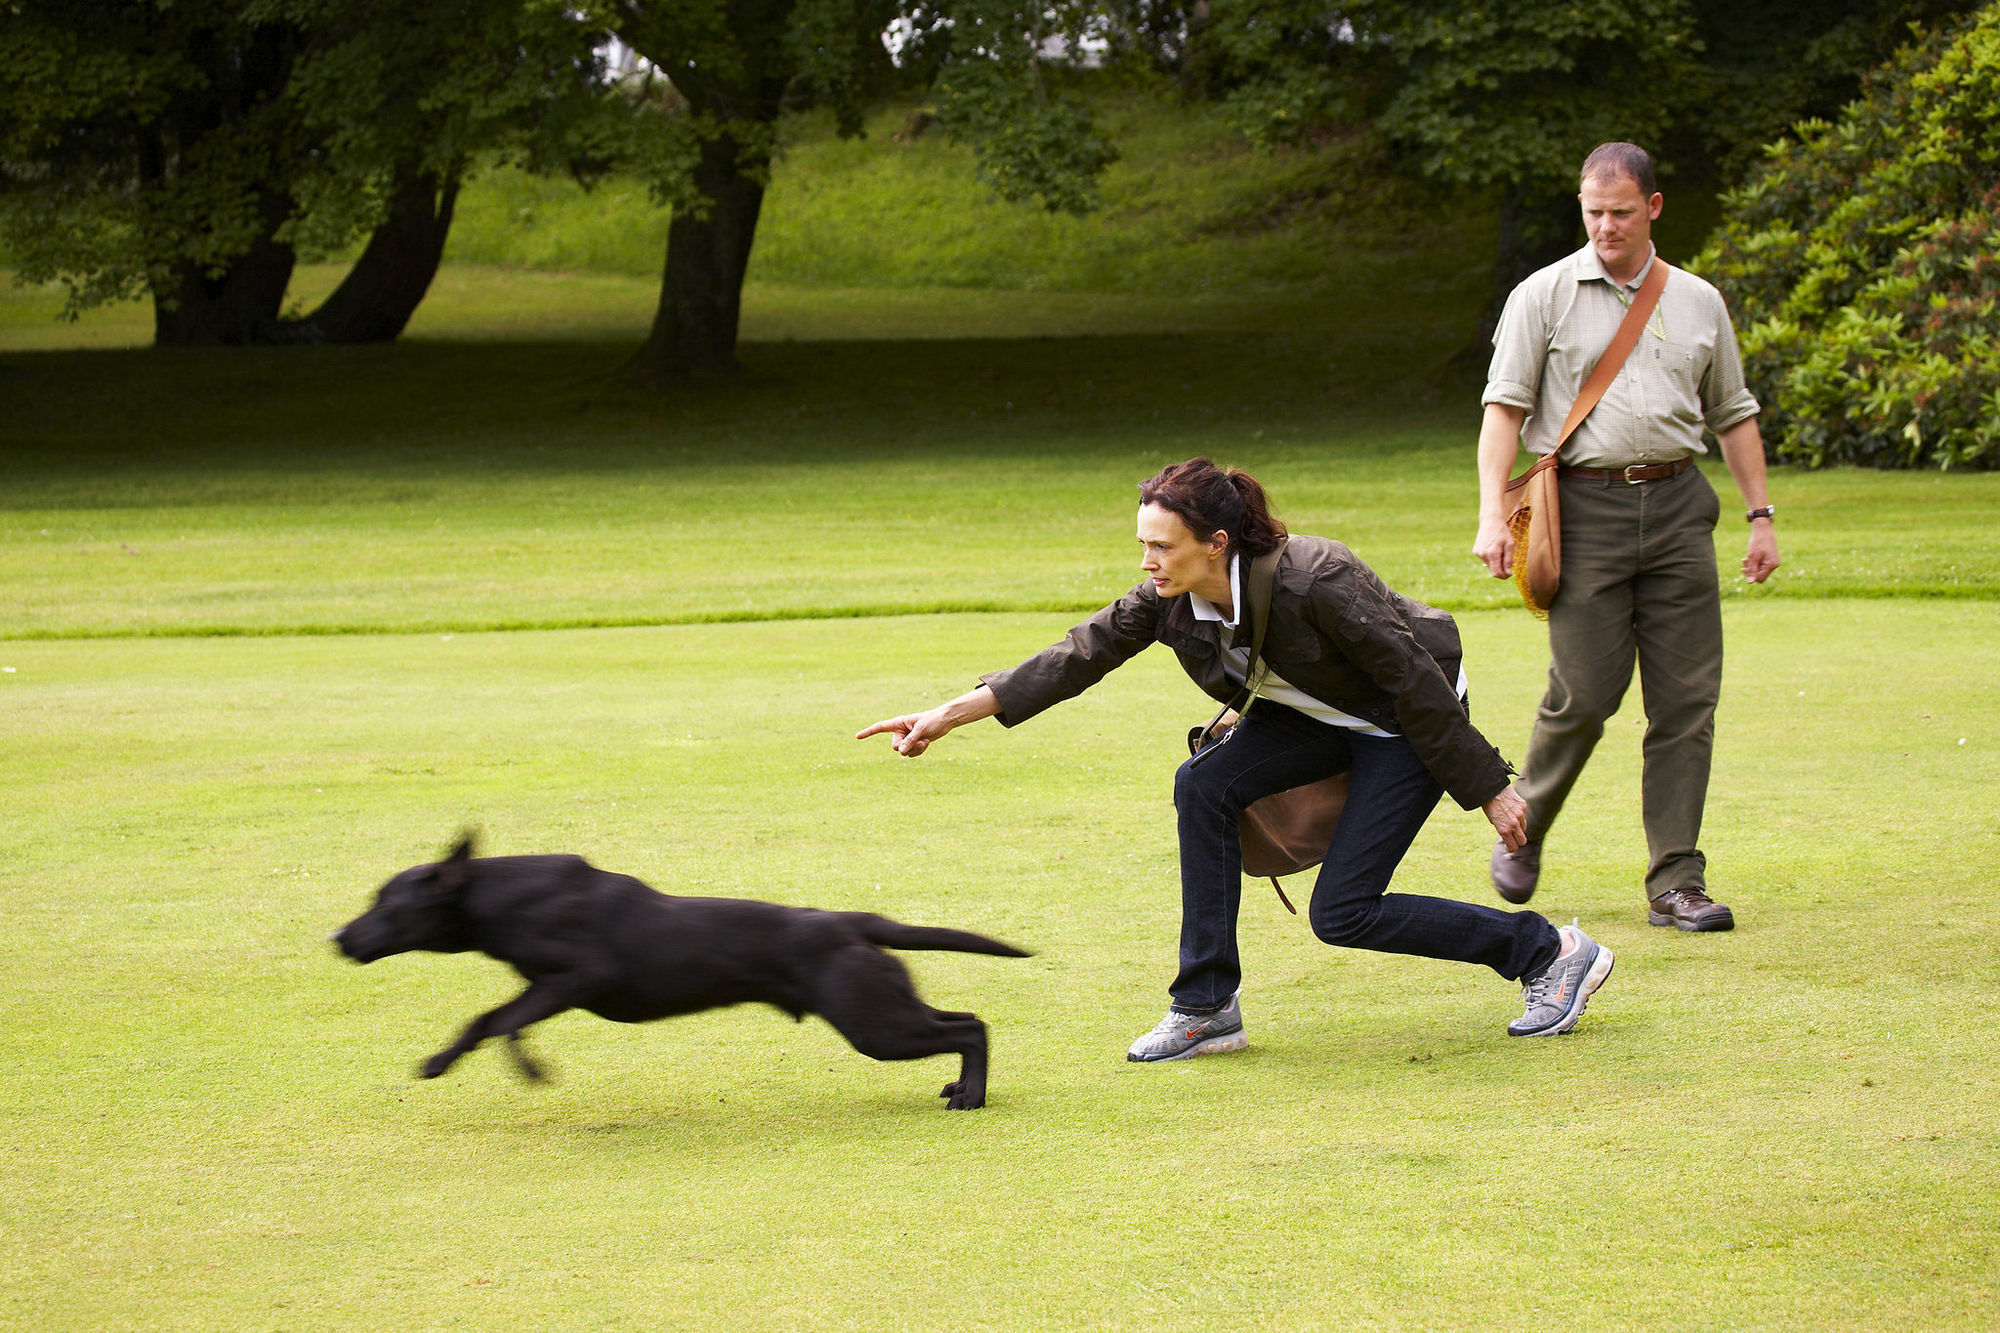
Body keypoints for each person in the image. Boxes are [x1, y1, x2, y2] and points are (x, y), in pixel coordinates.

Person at [858, 458, 1614, 1062]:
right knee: (1204, 783)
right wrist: (947, 715)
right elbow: (1077, 654)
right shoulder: (1168, 597)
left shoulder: (1316, 575)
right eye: (1143, 546)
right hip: (1314, 714)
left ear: (1215, 543)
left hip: (1403, 724)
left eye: (1162, 545)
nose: (1149, 562)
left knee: (1344, 912)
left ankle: (1548, 952)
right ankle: (1206, 1006)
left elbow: (1411, 679)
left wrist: (1490, 788)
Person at [1473, 141, 1781, 932]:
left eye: (1619, 211)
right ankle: (1524, 822)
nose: (1605, 226)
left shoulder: (1699, 301)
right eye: (1592, 212)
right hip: (1583, 511)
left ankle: (1676, 880)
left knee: (1686, 703)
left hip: (1681, 506)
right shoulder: (1541, 296)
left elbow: (1735, 413)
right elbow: (1503, 412)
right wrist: (1487, 516)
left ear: (1652, 207)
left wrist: (1761, 517)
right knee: (1585, 693)